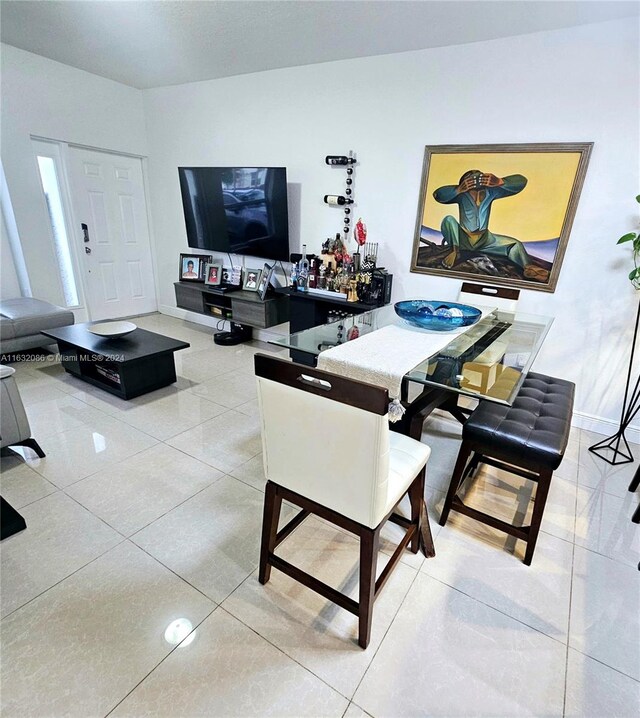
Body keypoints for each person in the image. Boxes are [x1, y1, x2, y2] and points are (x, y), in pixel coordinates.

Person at [433, 170, 549, 282]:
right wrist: (457, 190)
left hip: (485, 240)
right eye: (473, 190)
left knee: (515, 244)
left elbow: (522, 181)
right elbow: (438, 195)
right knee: (448, 220)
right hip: (462, 239)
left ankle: (528, 268)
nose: (478, 196)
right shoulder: (461, 195)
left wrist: (500, 181)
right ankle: (455, 251)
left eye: (481, 190)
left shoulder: (491, 192)